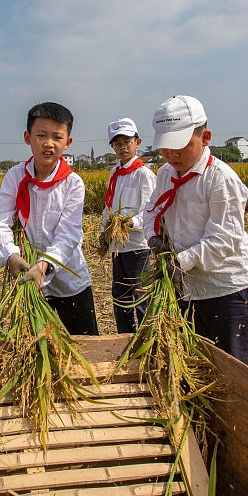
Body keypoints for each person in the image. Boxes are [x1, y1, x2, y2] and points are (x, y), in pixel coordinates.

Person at [143, 95, 248, 367]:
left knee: (232, 371)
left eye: (180, 146)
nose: (171, 155)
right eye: (165, 148)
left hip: (226, 288)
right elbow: (151, 211)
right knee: (193, 366)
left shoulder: (219, 178)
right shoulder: (165, 174)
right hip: (187, 288)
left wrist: (180, 261)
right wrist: (154, 238)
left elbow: (224, 239)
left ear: (205, 137)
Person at [0, 102, 97, 336]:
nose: (48, 143)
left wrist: (44, 265)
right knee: (33, 349)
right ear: (28, 137)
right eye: (41, 135)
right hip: (27, 278)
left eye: (57, 137)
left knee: (85, 345)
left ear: (68, 142)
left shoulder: (73, 183)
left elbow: (69, 234)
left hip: (69, 277)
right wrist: (11, 254)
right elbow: (1, 222)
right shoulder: (14, 176)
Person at [98, 118, 156, 334]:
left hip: (137, 247)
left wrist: (130, 222)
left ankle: (146, 339)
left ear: (137, 142)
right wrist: (105, 231)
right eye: (117, 144)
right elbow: (108, 206)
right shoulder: (115, 173)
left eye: (127, 142)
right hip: (117, 247)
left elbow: (151, 212)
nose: (122, 147)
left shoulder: (144, 174)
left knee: (141, 297)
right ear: (112, 146)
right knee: (120, 296)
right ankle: (125, 337)